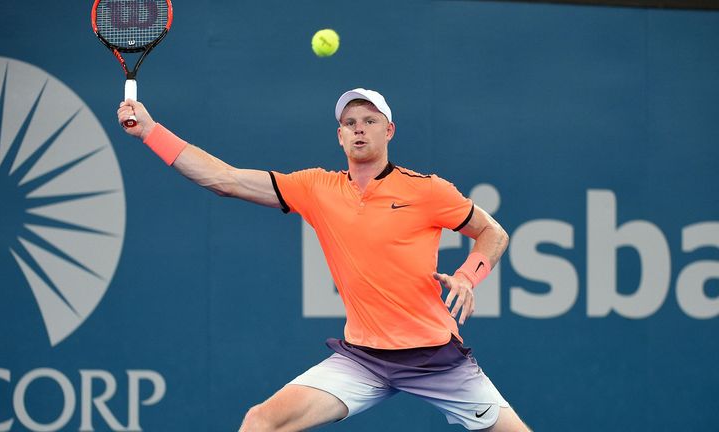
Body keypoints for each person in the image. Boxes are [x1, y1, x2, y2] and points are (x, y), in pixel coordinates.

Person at [117, 88, 531, 431]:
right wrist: (150, 132)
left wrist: (467, 277)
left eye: (369, 121)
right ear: (339, 136)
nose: (359, 129)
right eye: (350, 123)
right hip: (363, 359)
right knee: (261, 422)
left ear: (389, 131)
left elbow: (493, 233)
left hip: (434, 358)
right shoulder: (316, 188)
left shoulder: (428, 191)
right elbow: (225, 179)